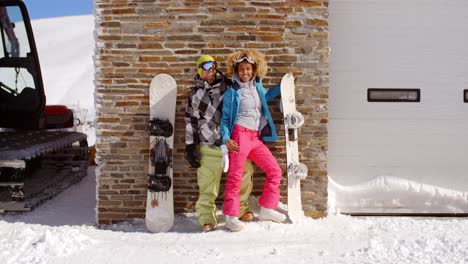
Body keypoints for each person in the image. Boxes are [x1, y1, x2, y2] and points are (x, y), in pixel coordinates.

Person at [184, 55, 255, 232]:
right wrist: (190, 145)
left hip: (232, 141)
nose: (211, 70)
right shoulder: (194, 94)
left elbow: (247, 86)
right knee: (208, 182)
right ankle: (207, 217)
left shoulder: (227, 86)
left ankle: (241, 208)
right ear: (199, 70)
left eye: (214, 66)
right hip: (208, 143)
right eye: (207, 67)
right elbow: (190, 121)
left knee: (244, 173)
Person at [221, 49, 287, 231]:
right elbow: (225, 119)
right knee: (235, 177)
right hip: (239, 136)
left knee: (274, 170)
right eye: (241, 69)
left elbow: (267, 97)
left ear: (254, 69)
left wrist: (284, 85)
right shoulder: (231, 92)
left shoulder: (257, 87)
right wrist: (226, 139)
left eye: (248, 69)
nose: (245, 72)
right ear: (236, 71)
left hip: (255, 138)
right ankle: (231, 216)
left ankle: (267, 208)